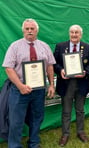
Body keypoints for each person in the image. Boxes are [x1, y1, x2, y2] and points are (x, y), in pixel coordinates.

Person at [2, 18, 56, 148]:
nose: (30, 31)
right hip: (19, 90)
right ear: (23, 31)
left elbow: (49, 66)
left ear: (37, 30)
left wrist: (51, 85)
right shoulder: (14, 46)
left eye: (32, 29)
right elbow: (8, 68)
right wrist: (20, 86)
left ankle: (34, 143)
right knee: (16, 120)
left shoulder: (44, 46)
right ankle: (14, 145)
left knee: (37, 118)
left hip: (39, 90)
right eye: (27, 29)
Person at [53, 24, 89, 146]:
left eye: (76, 32)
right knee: (66, 111)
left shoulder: (87, 47)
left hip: (81, 83)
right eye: (72, 32)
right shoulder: (60, 46)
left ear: (80, 34)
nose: (74, 34)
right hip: (66, 84)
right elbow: (54, 63)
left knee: (80, 110)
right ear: (69, 33)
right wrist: (60, 70)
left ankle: (80, 132)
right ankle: (65, 134)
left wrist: (85, 72)